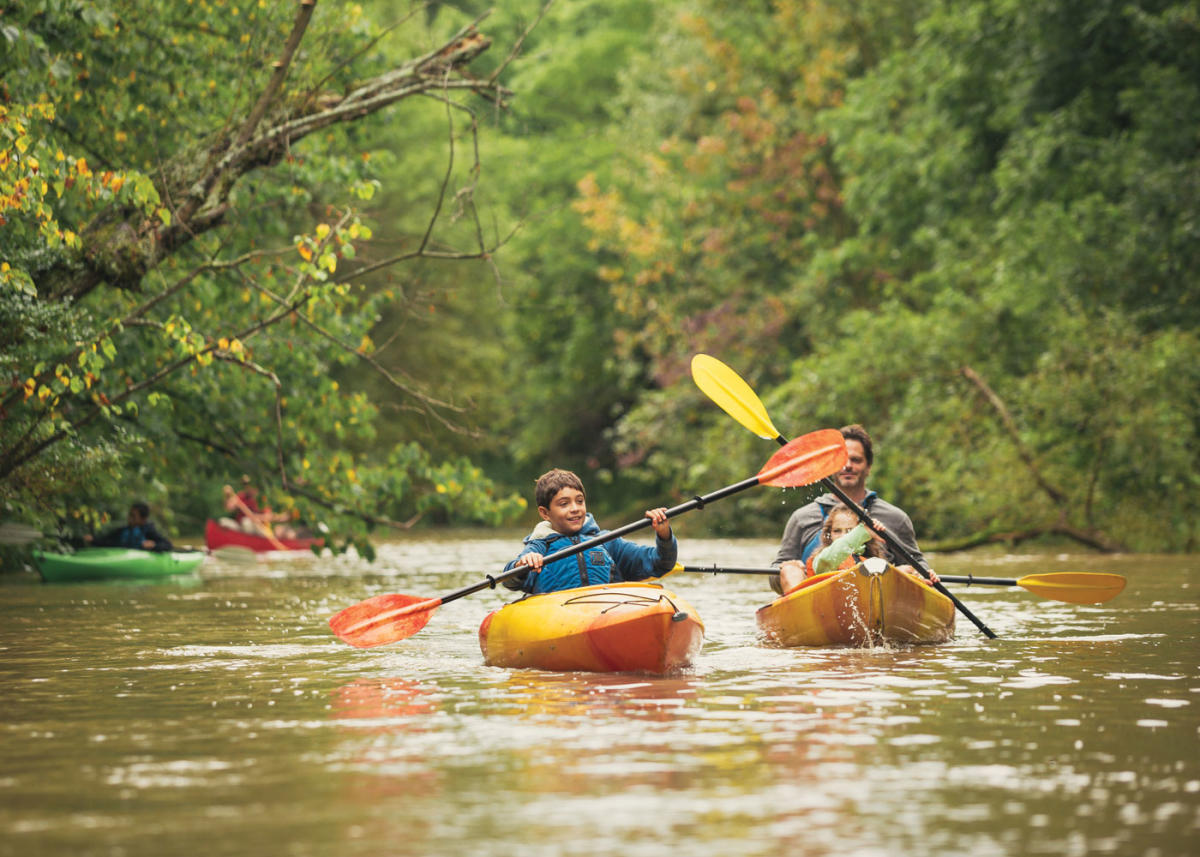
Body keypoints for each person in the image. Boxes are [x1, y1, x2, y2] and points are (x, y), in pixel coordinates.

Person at [770, 423, 931, 594]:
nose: (847, 465)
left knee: (907, 570)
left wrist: (922, 575)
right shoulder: (802, 518)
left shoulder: (895, 518)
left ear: (868, 467)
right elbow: (774, 574)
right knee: (789, 570)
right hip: (815, 599)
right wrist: (789, 568)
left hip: (879, 594)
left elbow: (918, 565)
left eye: (856, 460)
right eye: (841, 459)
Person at [502, 468, 678, 595]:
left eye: (579, 501)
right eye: (564, 504)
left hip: (609, 615)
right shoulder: (539, 548)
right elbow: (510, 580)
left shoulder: (609, 542)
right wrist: (522, 565)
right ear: (545, 513)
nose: (575, 509)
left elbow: (660, 563)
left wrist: (664, 535)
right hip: (561, 621)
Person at [220, 477, 298, 539]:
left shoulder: (262, 499)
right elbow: (229, 507)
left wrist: (255, 518)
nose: (247, 487)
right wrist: (228, 497)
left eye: (249, 485)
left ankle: (251, 543)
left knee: (246, 522)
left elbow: (268, 516)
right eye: (245, 485)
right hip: (241, 529)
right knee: (223, 521)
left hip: (259, 530)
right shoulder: (241, 496)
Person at [85, 501, 174, 552]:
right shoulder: (122, 531)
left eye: (133, 516)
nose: (129, 518)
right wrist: (93, 540)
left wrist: (154, 545)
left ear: (143, 519)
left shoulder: (149, 532)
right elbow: (105, 541)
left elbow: (168, 545)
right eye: (129, 515)